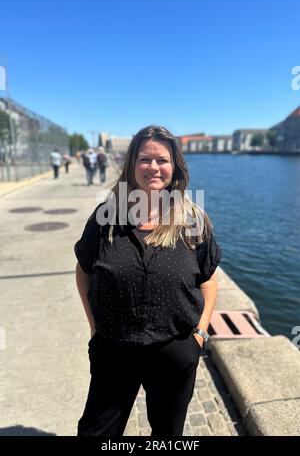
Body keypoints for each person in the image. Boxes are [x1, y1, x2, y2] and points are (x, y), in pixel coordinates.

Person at [74, 125, 222, 436]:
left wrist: (200, 334)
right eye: (144, 159)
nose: (153, 167)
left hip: (175, 347)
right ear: (131, 165)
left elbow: (208, 279)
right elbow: (84, 268)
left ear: (174, 167)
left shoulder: (193, 221)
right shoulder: (106, 218)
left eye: (162, 160)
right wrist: (94, 326)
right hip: (114, 346)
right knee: (96, 431)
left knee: (168, 433)